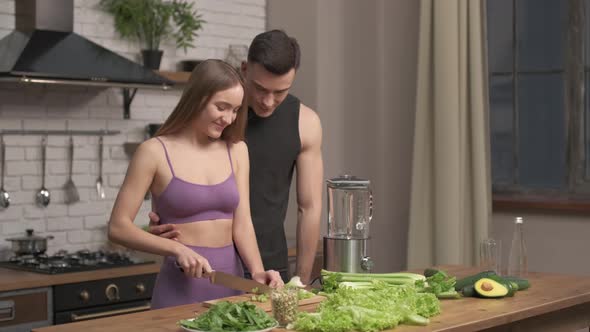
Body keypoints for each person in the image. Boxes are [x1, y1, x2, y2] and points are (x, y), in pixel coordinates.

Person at [149, 30, 324, 284]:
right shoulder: (212, 116)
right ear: (244, 69)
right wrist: (161, 215)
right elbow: (171, 165)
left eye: (280, 92)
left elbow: (309, 208)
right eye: (260, 88)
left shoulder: (305, 123)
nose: (268, 101)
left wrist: (302, 282)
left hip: (269, 269)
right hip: (205, 267)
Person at [107, 59, 283, 310]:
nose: (229, 118)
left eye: (235, 110)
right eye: (221, 107)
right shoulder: (154, 152)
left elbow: (242, 222)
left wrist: (256, 271)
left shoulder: (237, 150)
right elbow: (118, 227)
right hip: (179, 288)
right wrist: (176, 249)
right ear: (197, 98)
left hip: (231, 286)